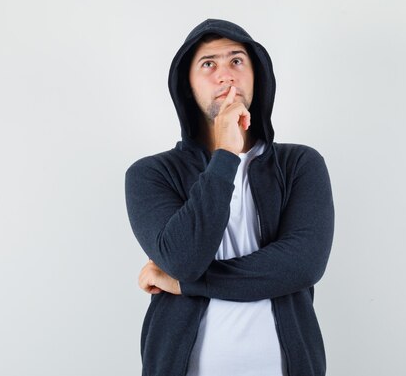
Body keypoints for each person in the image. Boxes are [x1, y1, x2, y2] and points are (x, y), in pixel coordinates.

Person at [125, 19, 335, 376]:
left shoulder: (300, 164)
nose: (226, 75)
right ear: (187, 87)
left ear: (257, 75)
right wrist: (225, 154)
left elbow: (302, 265)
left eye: (237, 61)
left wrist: (185, 285)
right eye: (209, 64)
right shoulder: (150, 174)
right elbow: (183, 259)